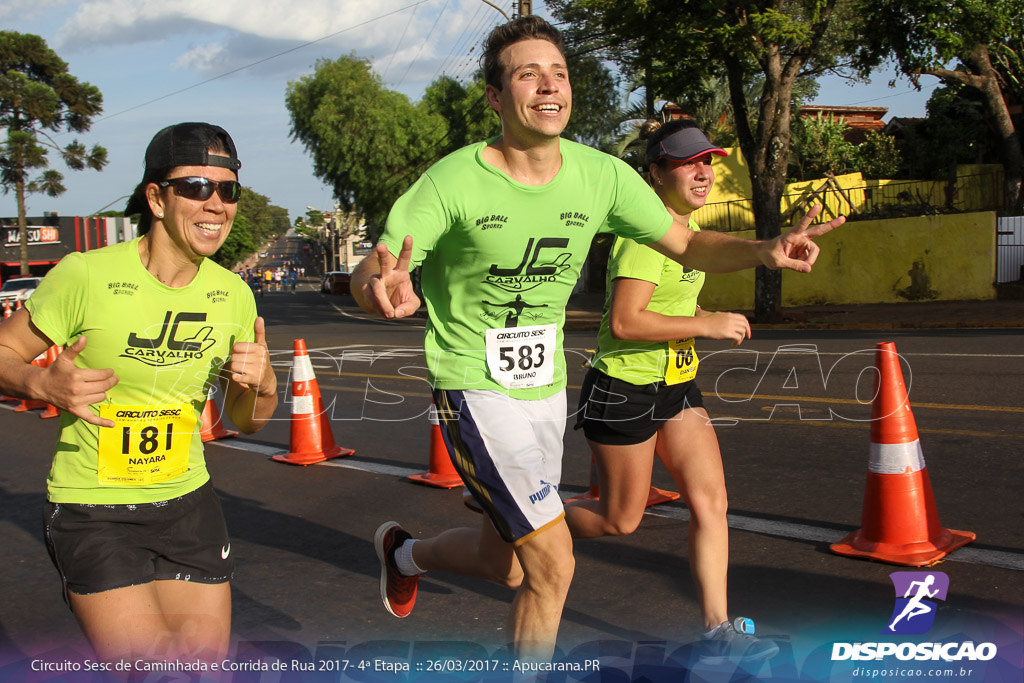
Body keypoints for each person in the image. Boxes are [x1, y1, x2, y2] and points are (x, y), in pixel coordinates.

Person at [351, 16, 843, 663]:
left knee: (508, 566)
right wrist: (378, 285)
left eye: (559, 73)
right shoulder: (453, 182)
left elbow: (688, 241)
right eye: (528, 74)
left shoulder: (600, 176)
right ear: (497, 98)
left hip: (544, 391)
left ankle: (404, 553)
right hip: (473, 384)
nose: (549, 85)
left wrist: (764, 249)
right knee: (552, 563)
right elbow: (378, 262)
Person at [0, 122, 278, 666]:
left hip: (188, 505)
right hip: (95, 510)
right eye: (197, 187)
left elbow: (248, 421)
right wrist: (39, 382)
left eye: (228, 190)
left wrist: (264, 385)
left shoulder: (233, 295)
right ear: (155, 196)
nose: (216, 203)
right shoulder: (84, 274)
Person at [567, 118, 778, 663]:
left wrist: (709, 314)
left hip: (676, 385)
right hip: (624, 389)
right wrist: (706, 326)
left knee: (712, 502)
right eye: (687, 162)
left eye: (707, 161)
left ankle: (719, 629)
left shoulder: (686, 235)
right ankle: (526, 521)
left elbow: (675, 309)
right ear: (656, 172)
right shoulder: (645, 236)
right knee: (620, 519)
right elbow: (626, 323)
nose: (702, 172)